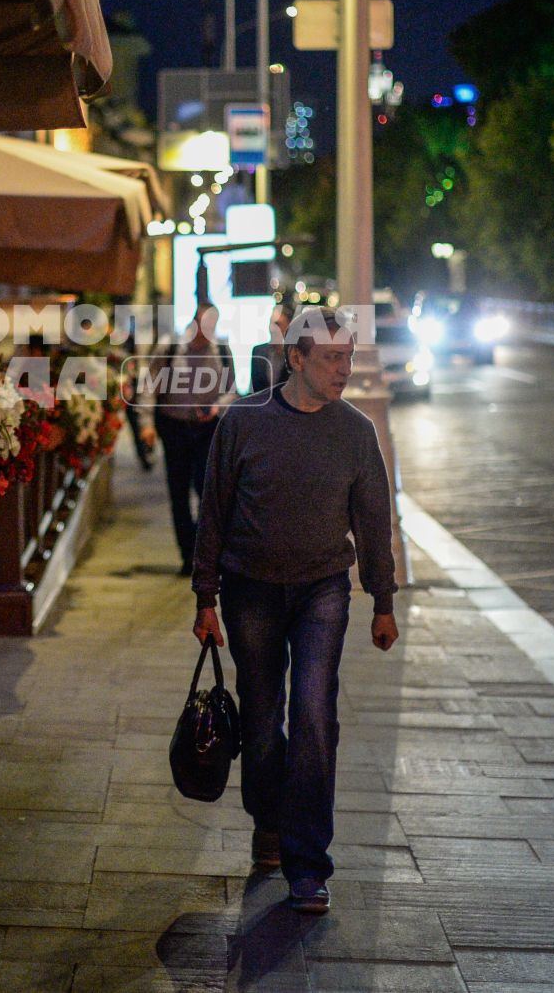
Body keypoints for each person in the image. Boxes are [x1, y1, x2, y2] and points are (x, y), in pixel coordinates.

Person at [190, 305, 400, 915]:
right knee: (260, 720)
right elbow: (216, 514)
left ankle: (308, 864)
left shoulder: (356, 432)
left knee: (313, 714)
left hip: (321, 590)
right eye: (332, 358)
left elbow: (373, 523)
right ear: (296, 358)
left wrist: (382, 602)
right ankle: (269, 820)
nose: (344, 369)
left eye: (349, 357)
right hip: (248, 587)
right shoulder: (243, 423)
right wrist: (206, 597)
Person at [149, 302, 235, 574]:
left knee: (206, 490)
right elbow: (148, 386)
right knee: (178, 491)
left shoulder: (221, 350)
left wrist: (216, 407)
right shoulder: (171, 347)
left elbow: (231, 390)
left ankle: (203, 551)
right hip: (174, 426)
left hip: (206, 429)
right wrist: (145, 425)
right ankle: (188, 554)